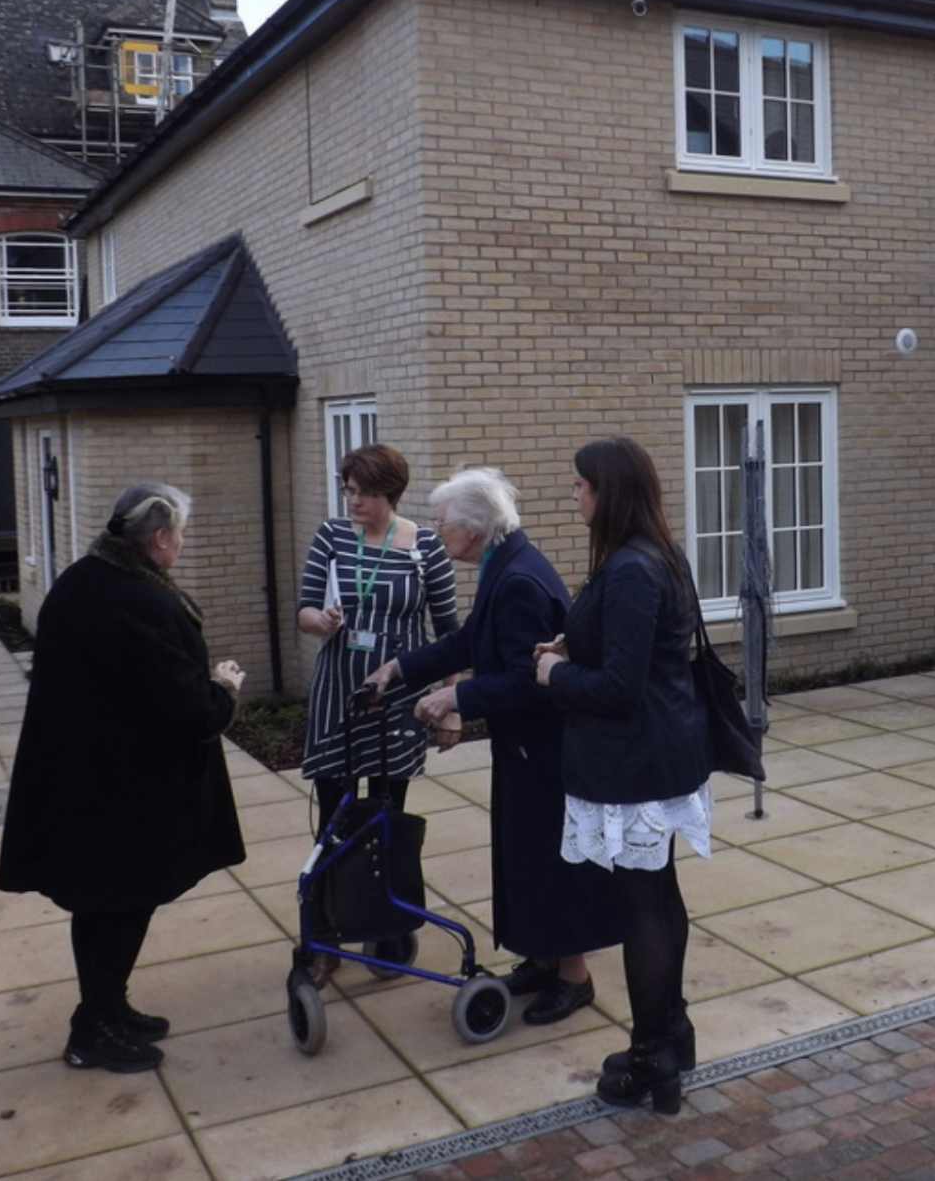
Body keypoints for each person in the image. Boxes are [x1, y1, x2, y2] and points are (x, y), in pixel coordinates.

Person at [0, 481, 247, 1074]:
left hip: (83, 778)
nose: (182, 546)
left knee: (106, 901)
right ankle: (94, 1029)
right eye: (180, 536)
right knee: (119, 903)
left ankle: (107, 1006)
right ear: (158, 539)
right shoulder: (142, 603)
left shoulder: (83, 580)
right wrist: (224, 687)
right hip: (122, 791)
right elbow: (186, 709)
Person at [365, 468, 624, 1026]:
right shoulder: (501, 565)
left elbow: (526, 677)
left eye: (443, 523)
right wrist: (402, 667)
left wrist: (457, 700)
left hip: (546, 749)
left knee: (549, 862)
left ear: (475, 526)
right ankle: (543, 959)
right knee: (523, 858)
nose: (436, 533)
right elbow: (468, 640)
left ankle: (574, 978)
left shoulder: (518, 582)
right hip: (525, 747)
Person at [536, 436, 710, 1115]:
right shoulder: (650, 556)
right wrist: (572, 642)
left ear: (610, 492)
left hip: (641, 760)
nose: (573, 495)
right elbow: (629, 645)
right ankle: (672, 1032)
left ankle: (651, 1055)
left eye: (580, 485)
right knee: (657, 894)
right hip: (657, 754)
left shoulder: (634, 568)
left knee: (644, 904)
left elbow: (618, 685)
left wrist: (555, 673)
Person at [294, 443, 458, 985]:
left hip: (396, 702)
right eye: (348, 489)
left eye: (363, 491)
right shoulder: (332, 537)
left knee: (388, 815)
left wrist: (450, 704)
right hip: (339, 696)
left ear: (389, 492)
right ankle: (323, 938)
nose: (353, 499)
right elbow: (304, 609)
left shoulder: (425, 546)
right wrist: (321, 622)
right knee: (334, 821)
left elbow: (450, 633)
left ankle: (386, 927)